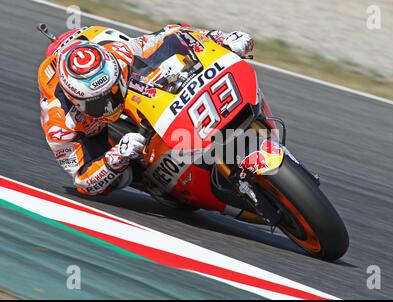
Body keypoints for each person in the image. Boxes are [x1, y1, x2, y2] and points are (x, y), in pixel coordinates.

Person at [38, 24, 254, 195]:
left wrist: (221, 38)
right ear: (73, 99)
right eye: (98, 102)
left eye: (112, 90)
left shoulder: (121, 52)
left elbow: (174, 34)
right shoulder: (59, 122)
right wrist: (115, 159)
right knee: (120, 179)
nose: (109, 104)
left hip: (130, 81)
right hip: (100, 138)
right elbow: (82, 180)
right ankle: (151, 178)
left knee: (171, 69)